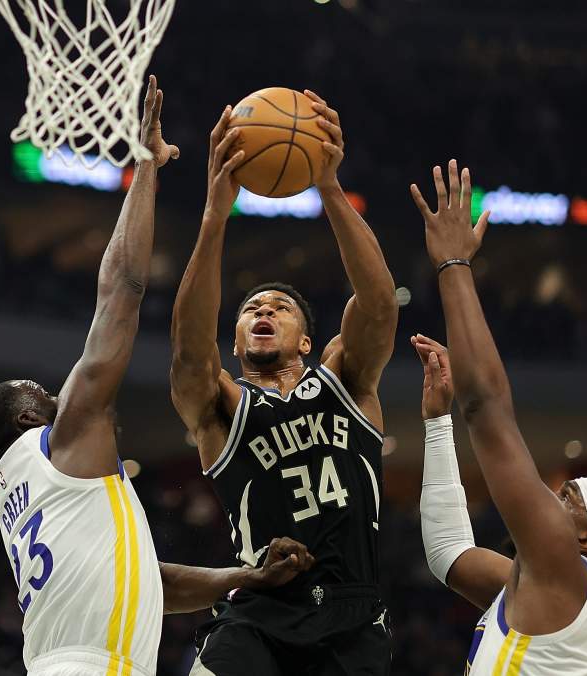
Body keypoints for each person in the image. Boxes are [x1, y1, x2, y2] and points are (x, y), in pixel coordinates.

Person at [0, 77, 315, 676]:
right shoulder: (60, 440)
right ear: (27, 418)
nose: (58, 395)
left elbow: (154, 585)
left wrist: (247, 578)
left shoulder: (24, 495)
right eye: (43, 395)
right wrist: (147, 167)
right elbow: (120, 293)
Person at [170, 90, 398, 675]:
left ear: (306, 342)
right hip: (258, 611)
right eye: (251, 309)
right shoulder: (222, 406)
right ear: (236, 343)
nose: (263, 310)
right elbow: (190, 351)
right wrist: (214, 216)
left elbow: (378, 303)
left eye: (280, 307)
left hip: (352, 615)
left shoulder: (346, 381)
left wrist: (329, 188)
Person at [408, 160, 587, 675]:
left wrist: (453, 264)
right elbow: (448, 552)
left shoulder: (563, 568)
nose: (545, 497)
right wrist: (437, 424)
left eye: (566, 499)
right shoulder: (538, 582)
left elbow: (487, 408)